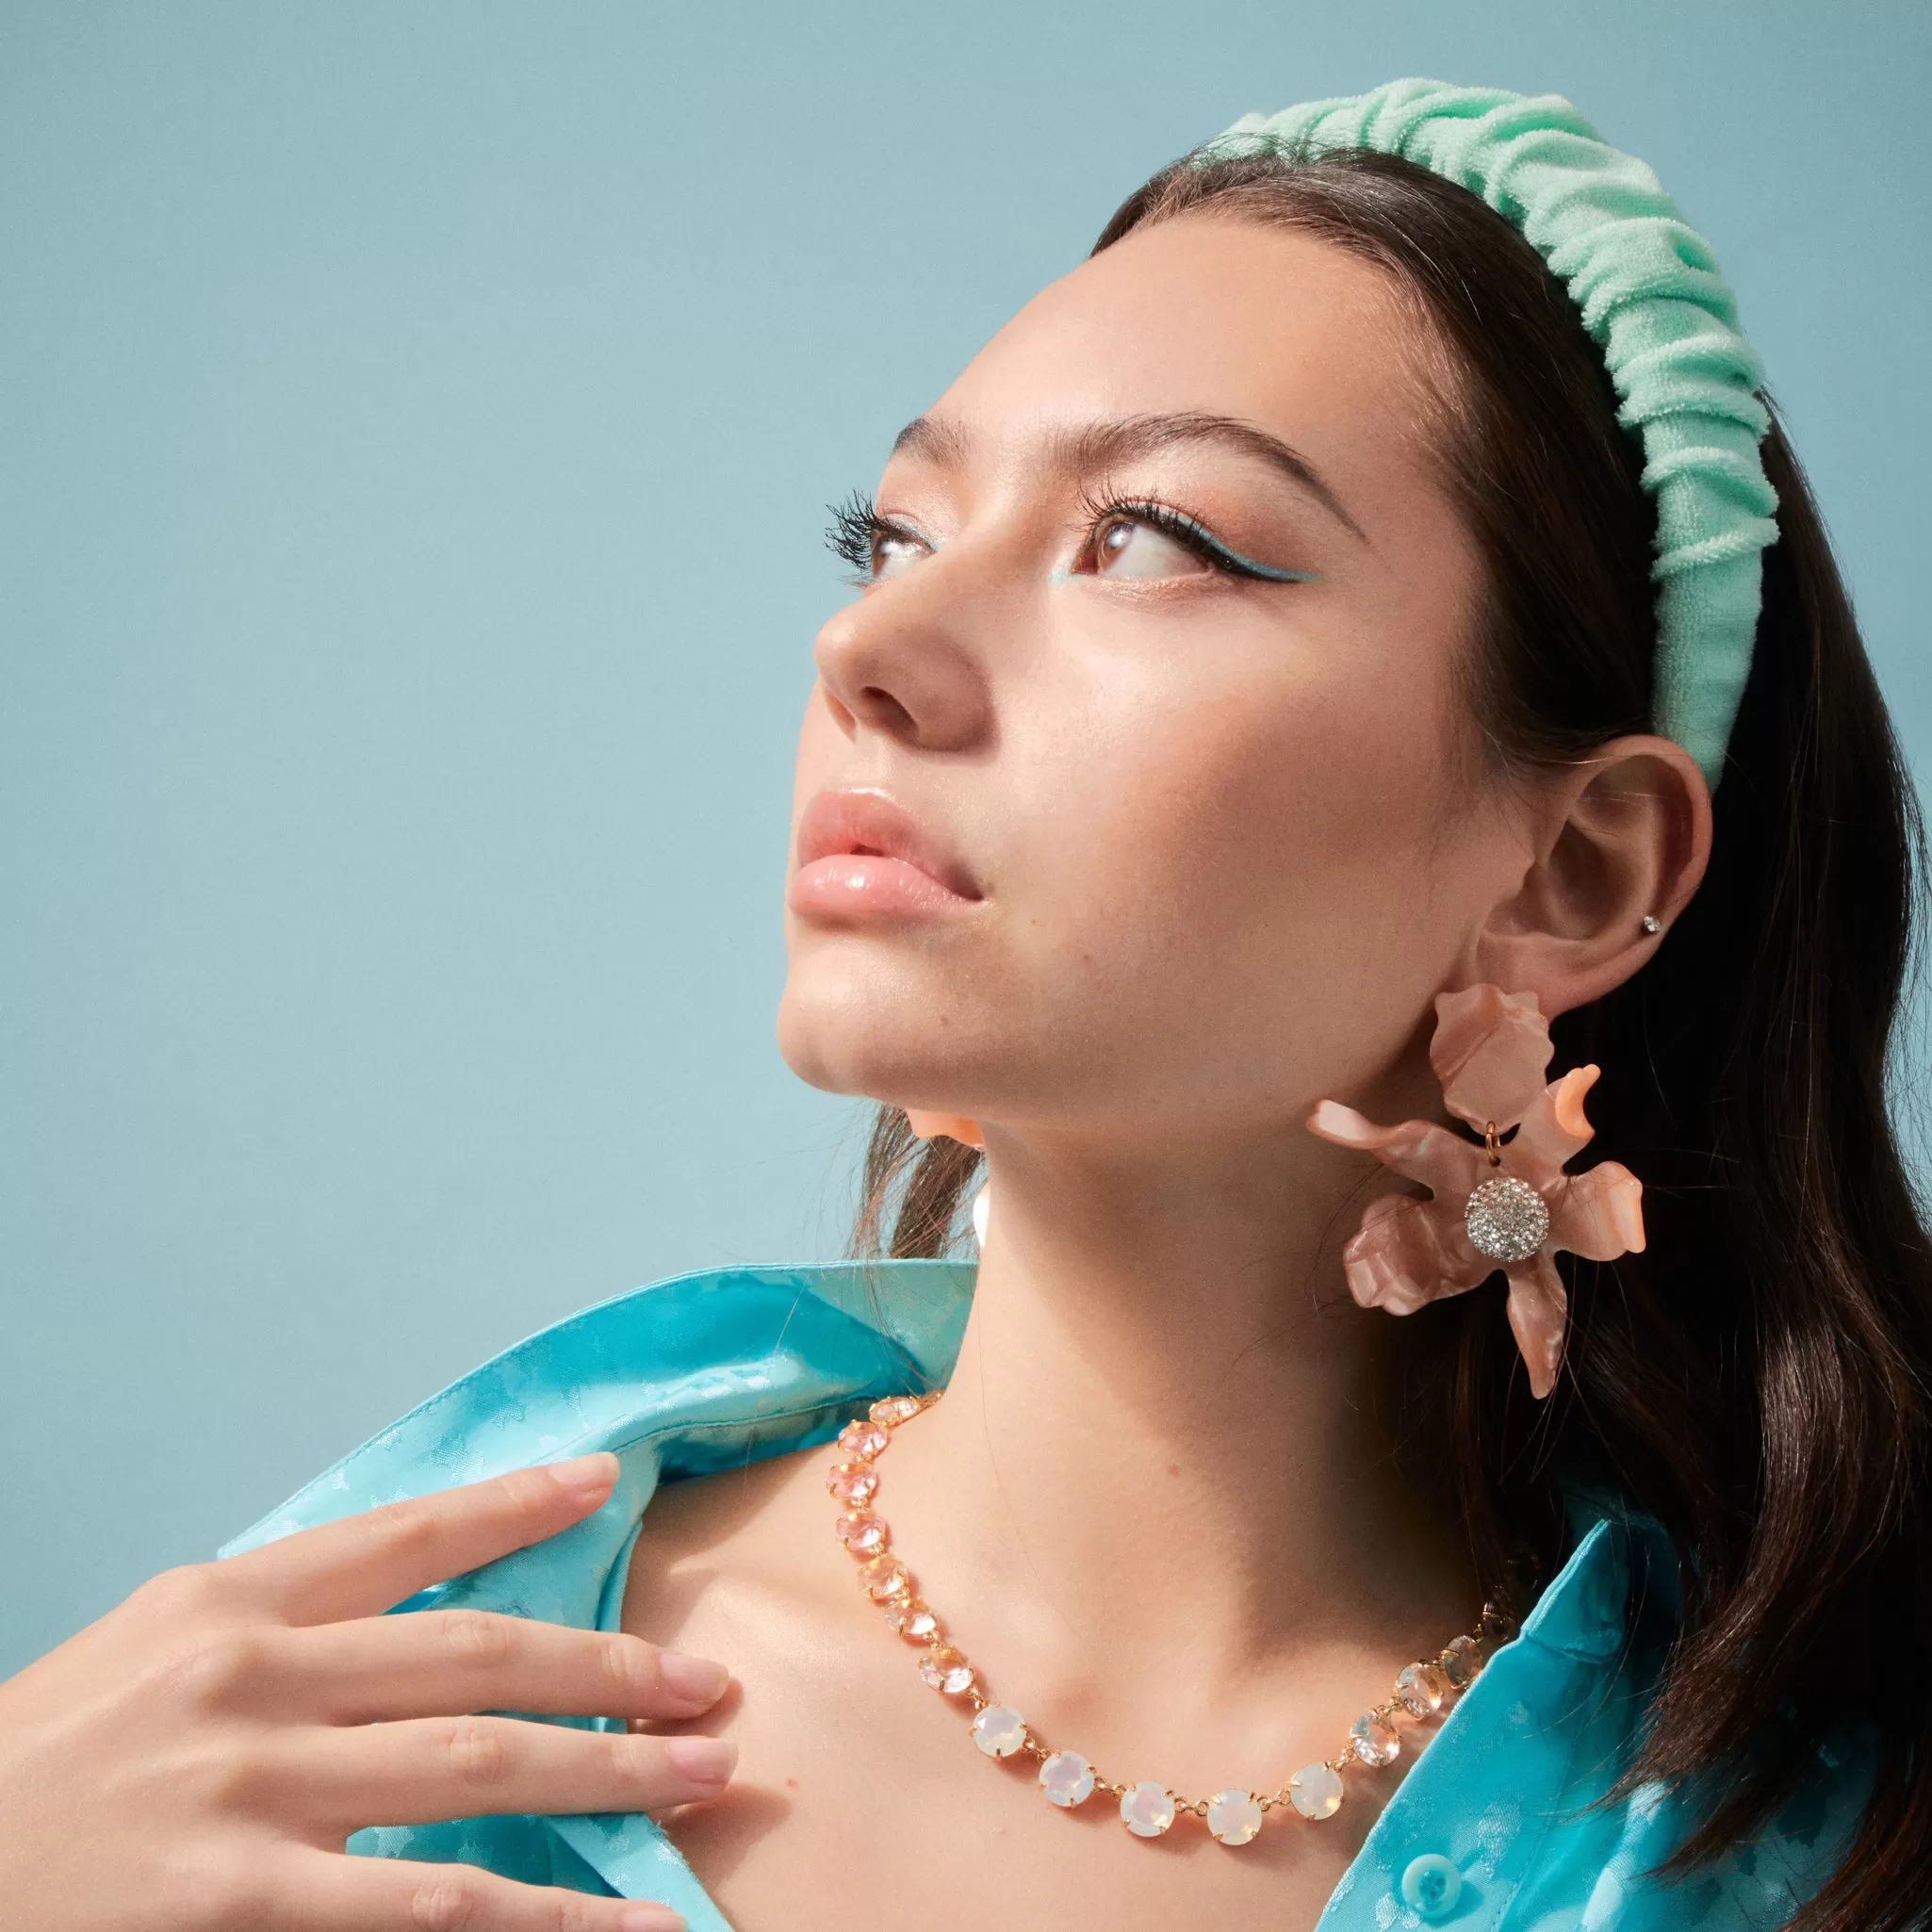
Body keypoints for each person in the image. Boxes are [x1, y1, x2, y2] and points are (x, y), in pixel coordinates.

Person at [2, 77, 1925, 1932]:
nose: (867, 646)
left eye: (1152, 538)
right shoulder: (326, 1724)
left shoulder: (1834, 1837)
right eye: (893, 534)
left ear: (1569, 868)